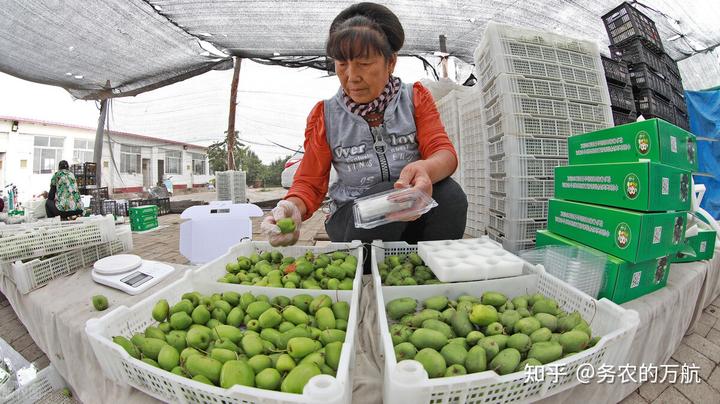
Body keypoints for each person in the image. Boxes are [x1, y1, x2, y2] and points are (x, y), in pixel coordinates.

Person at [262, 2, 467, 248]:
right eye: (341, 64)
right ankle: (368, 268)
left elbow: (443, 152)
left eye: (364, 63)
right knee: (387, 195)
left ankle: (430, 267)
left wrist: (425, 170)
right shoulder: (325, 115)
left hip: (411, 211)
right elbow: (309, 181)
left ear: (390, 62)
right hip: (351, 218)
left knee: (450, 195)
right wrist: (290, 208)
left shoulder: (415, 99)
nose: (352, 76)